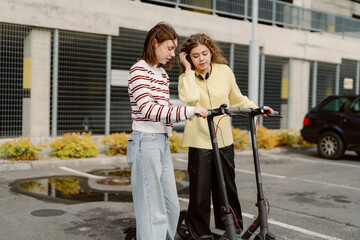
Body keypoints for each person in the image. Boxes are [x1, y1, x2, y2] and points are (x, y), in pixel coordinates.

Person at [178, 33, 273, 239]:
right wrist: (187, 70)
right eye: (195, 56)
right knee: (200, 189)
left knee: (227, 186)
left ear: (211, 51)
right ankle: (200, 231)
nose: (201, 59)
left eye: (204, 53)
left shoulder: (224, 71)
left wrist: (259, 108)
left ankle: (231, 227)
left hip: (223, 139)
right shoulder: (187, 78)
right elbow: (190, 98)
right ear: (188, 58)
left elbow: (237, 99)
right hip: (199, 140)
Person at [126, 23, 208, 240]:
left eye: (174, 49)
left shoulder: (162, 74)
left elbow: (165, 110)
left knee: (171, 207)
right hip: (145, 141)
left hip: (161, 141)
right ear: (154, 43)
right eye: (169, 48)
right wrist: (189, 112)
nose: (172, 54)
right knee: (153, 210)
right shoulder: (138, 70)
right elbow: (149, 109)